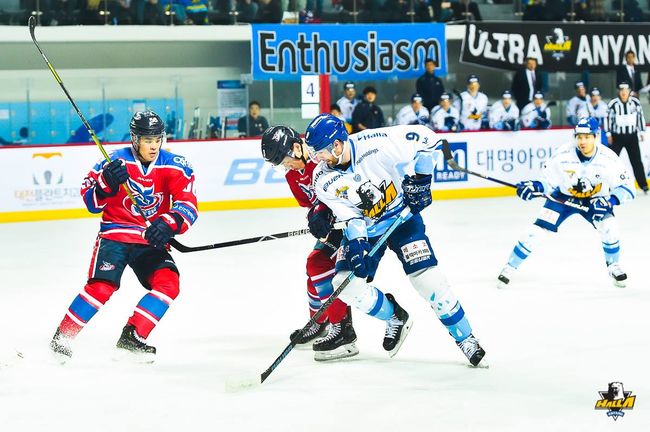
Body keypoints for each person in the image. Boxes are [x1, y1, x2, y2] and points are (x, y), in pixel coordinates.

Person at [304, 113, 486, 366]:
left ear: (336, 145)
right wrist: (357, 244)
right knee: (345, 284)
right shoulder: (322, 178)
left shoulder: (376, 142)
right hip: (368, 229)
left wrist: (422, 179)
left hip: (402, 219)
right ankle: (394, 316)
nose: (317, 159)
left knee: (428, 281)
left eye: (320, 152)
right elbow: (351, 216)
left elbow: (428, 138)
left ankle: (466, 338)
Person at [49, 111, 198, 361]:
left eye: (157, 139)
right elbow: (91, 202)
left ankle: (133, 336)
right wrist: (105, 184)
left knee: (168, 283)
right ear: (135, 139)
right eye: (147, 140)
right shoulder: (113, 162)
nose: (154, 146)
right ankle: (63, 337)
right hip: (115, 234)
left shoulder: (176, 165)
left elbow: (188, 204)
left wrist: (168, 224)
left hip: (150, 239)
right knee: (102, 286)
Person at [497, 117, 635, 289]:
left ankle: (613, 265)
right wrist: (536, 187)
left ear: (596, 136)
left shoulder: (609, 159)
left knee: (610, 227)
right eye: (579, 136)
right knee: (535, 232)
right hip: (562, 199)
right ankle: (510, 267)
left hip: (594, 201)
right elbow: (547, 182)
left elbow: (628, 188)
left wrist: (610, 201)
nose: (582, 141)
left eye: (587, 137)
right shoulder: (562, 155)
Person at [260, 126, 358, 361]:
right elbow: (310, 205)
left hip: (353, 224)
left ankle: (343, 330)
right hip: (334, 228)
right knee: (314, 268)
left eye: (285, 161)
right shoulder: (292, 176)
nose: (286, 167)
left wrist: (330, 215)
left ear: (296, 148)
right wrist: (317, 220)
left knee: (319, 266)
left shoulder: (323, 158)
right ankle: (319, 321)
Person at [605, 81, 648, 193]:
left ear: (629, 91)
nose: (624, 93)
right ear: (618, 92)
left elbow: (640, 117)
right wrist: (608, 134)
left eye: (626, 90)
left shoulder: (635, 103)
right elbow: (607, 119)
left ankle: (643, 185)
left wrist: (642, 132)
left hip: (632, 136)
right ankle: (607, 185)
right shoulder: (613, 104)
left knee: (636, 161)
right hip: (617, 137)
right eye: (621, 90)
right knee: (611, 161)